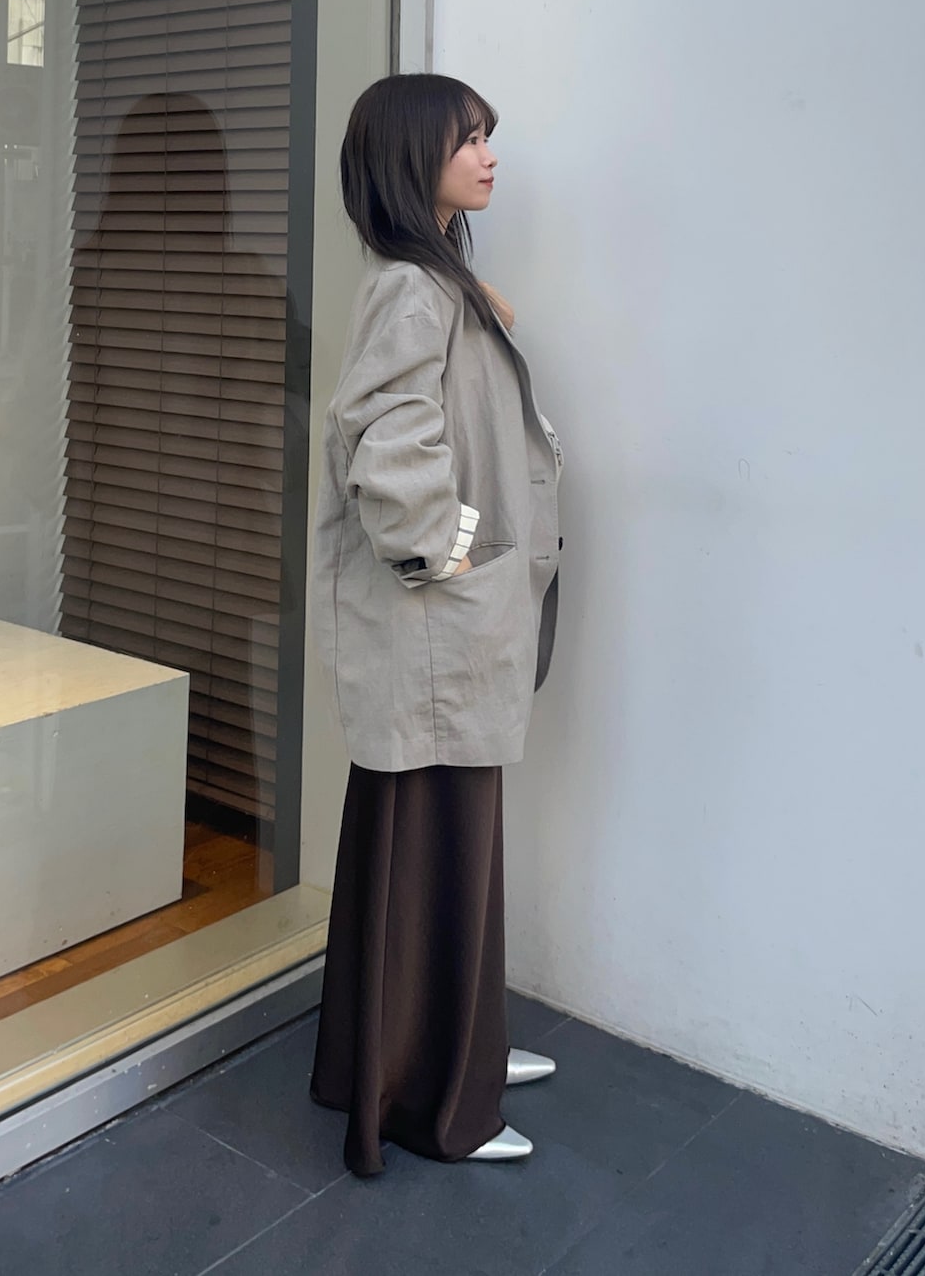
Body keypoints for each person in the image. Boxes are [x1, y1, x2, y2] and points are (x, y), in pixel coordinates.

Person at [309, 73, 563, 1177]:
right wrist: (449, 551)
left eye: (487, 137)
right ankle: (433, 1100)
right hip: (435, 625)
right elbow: (385, 433)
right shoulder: (413, 289)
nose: (490, 155)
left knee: (431, 851)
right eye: (469, 140)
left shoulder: (434, 278)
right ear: (416, 160)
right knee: (438, 857)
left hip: (447, 626)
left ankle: (433, 1057)